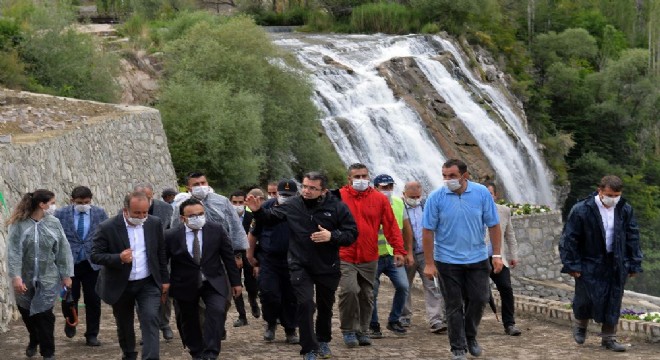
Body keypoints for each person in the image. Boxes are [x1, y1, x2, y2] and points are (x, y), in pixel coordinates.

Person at [245, 172, 358, 360]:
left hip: (326, 265)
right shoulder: (292, 204)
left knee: (325, 306)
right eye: (305, 186)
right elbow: (270, 218)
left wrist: (332, 236)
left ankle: (323, 340)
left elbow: (352, 233)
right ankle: (309, 348)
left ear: (323, 190)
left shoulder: (337, 207)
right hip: (299, 264)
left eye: (313, 188)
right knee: (305, 304)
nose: (307, 191)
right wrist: (258, 211)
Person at [422, 159, 502, 360]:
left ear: (464, 176)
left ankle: (470, 335)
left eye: (452, 176)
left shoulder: (482, 193)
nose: (447, 180)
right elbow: (427, 230)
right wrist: (430, 263)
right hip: (447, 261)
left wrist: (497, 255)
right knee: (453, 304)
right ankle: (458, 348)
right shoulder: (435, 198)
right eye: (445, 176)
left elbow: (493, 225)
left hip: (477, 258)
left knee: (479, 299)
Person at [559, 175, 643, 352]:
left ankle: (609, 338)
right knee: (585, 297)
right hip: (589, 259)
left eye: (616, 195)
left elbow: (633, 236)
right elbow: (569, 238)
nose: (613, 199)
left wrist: (634, 263)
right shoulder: (582, 210)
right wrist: (572, 264)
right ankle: (581, 326)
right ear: (600, 190)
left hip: (616, 260)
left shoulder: (625, 210)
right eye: (610, 195)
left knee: (613, 299)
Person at [91, 191, 170, 360]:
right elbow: (95, 255)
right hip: (120, 284)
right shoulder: (107, 227)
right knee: (124, 323)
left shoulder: (154, 223)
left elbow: (160, 252)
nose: (142, 216)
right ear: (125, 210)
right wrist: (118, 257)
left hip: (148, 283)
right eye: (137, 213)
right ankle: (129, 354)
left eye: (145, 212)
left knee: (150, 318)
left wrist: (165, 279)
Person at [338, 164, 407, 347]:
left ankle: (362, 329)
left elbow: (391, 226)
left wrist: (399, 250)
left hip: (369, 256)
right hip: (345, 253)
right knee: (349, 291)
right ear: (349, 179)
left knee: (367, 295)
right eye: (357, 176)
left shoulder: (379, 199)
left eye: (364, 176)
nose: (361, 179)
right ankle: (348, 330)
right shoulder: (338, 197)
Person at [165, 198, 242, 360]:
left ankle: (211, 353)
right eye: (192, 215)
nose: (197, 218)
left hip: (214, 282)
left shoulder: (217, 230)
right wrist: (164, 284)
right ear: (182, 218)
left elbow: (228, 257)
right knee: (188, 319)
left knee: (217, 311)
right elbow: (162, 262)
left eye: (200, 214)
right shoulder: (171, 236)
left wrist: (236, 282)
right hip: (184, 284)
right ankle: (197, 352)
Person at [7, 190, 74, 360]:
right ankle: (33, 338)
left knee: (45, 316)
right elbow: (14, 252)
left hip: (48, 278)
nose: (54, 206)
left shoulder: (54, 223)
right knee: (27, 312)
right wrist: (16, 276)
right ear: (41, 204)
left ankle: (48, 353)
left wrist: (66, 275)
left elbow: (63, 250)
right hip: (24, 277)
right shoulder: (19, 224)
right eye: (52, 202)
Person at [54, 186, 108, 346]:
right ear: (72, 201)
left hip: (92, 264)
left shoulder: (100, 213)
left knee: (93, 300)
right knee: (69, 298)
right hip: (70, 265)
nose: (83, 204)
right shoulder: (61, 214)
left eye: (86, 202)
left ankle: (92, 334)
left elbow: (106, 234)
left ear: (91, 200)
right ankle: (70, 319)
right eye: (79, 202)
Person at [247, 180, 299, 344]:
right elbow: (253, 234)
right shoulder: (266, 208)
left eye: (290, 196)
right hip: (269, 259)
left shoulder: (301, 208)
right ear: (276, 193)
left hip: (293, 260)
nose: (286, 198)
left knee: (291, 296)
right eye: (283, 195)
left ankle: (290, 329)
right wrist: (250, 255)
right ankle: (270, 323)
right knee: (269, 293)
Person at [368, 174, 413, 339]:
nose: (387, 190)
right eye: (383, 187)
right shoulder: (368, 204)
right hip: (373, 256)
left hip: (394, 255)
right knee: (372, 292)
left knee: (403, 286)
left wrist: (406, 251)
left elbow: (406, 229)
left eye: (389, 187)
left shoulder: (399, 203)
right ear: (375, 188)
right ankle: (373, 325)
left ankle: (394, 320)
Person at [399, 181, 446, 333]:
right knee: (404, 286)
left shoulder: (427, 206)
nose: (415, 198)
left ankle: (436, 320)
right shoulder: (399, 207)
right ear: (404, 193)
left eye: (417, 195)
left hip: (426, 254)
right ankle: (404, 317)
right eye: (411, 196)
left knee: (433, 286)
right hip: (407, 253)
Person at [134, 183, 174, 341]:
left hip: (162, 258)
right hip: (140, 261)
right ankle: (147, 330)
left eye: (148, 197)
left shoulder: (166, 209)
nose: (144, 200)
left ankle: (164, 324)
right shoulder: (128, 210)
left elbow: (172, 229)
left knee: (164, 294)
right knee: (141, 300)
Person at [484, 182, 522, 336]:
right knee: (473, 292)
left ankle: (510, 324)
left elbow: (510, 235)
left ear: (495, 195)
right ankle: (466, 322)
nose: (487, 197)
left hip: (498, 257)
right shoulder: (472, 209)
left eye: (490, 194)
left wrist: (514, 255)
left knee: (506, 288)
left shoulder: (504, 211)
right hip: (477, 258)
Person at [229, 190, 260, 327]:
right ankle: (242, 316)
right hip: (231, 256)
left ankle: (253, 302)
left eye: (240, 202)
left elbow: (256, 239)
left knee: (251, 285)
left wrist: (255, 261)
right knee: (236, 286)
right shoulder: (226, 218)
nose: (237, 205)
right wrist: (236, 256)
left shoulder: (252, 217)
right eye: (234, 202)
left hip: (249, 255)